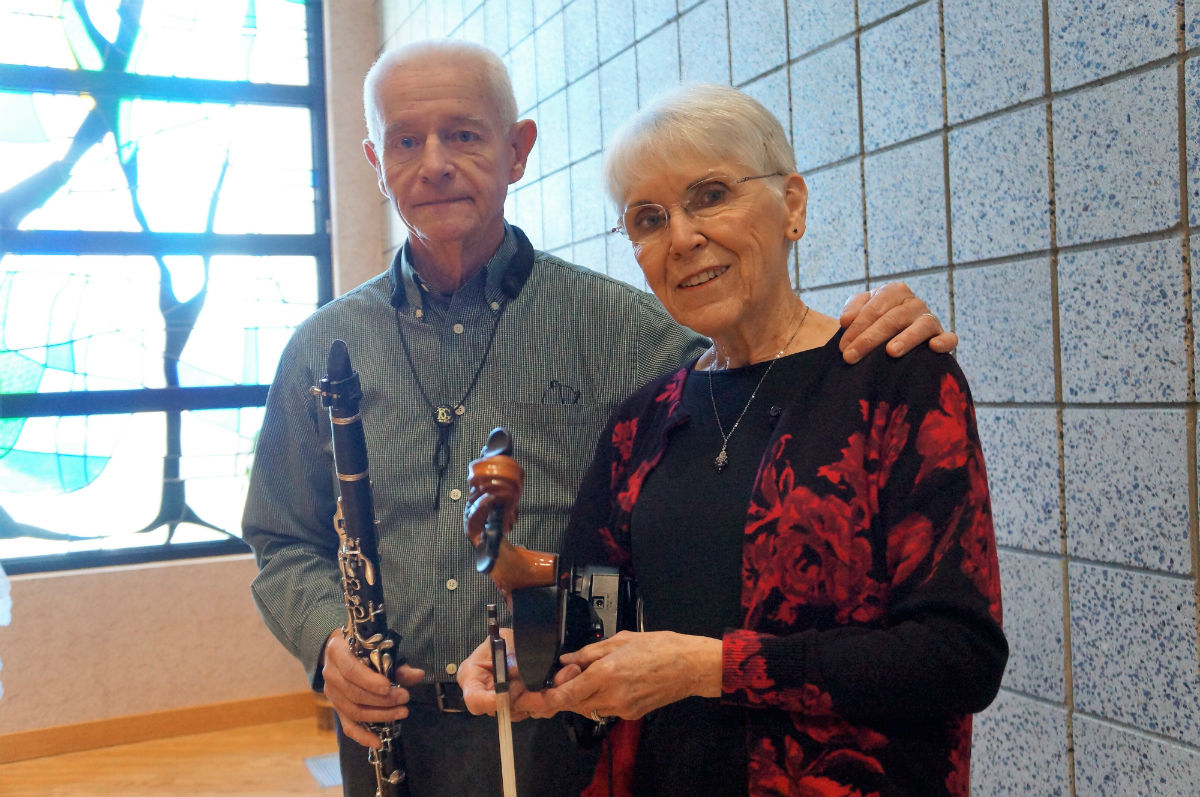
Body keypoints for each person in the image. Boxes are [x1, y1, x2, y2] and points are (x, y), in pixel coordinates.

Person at [242, 39, 958, 797]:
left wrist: (871, 328)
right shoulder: (322, 346)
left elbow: (758, 365)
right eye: (405, 140)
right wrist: (326, 643)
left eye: (464, 134)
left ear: (519, 151)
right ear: (374, 160)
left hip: (571, 738)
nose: (435, 162)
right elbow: (283, 537)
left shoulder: (631, 329)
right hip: (391, 737)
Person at [458, 82, 1006, 797]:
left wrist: (709, 667)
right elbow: (594, 622)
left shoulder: (896, 381)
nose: (683, 237)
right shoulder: (640, 424)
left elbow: (957, 655)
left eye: (710, 195)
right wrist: (526, 661)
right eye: (648, 219)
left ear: (793, 206)